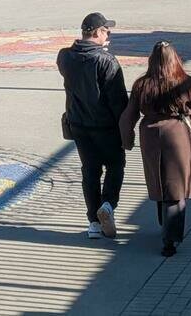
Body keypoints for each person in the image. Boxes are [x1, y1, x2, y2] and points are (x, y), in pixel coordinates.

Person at [119, 41, 191, 257]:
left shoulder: (142, 84)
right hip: (177, 133)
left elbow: (129, 115)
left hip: (150, 134)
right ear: (175, 58)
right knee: (176, 184)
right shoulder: (187, 82)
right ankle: (170, 238)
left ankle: (164, 224)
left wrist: (126, 141)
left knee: (158, 178)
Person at [57, 13, 129, 239]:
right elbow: (119, 101)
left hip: (78, 125)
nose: (109, 34)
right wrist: (126, 128)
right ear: (97, 33)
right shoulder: (107, 62)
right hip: (106, 127)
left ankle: (93, 224)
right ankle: (107, 206)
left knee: (90, 171)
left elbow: (73, 59)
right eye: (107, 30)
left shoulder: (65, 57)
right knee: (115, 166)